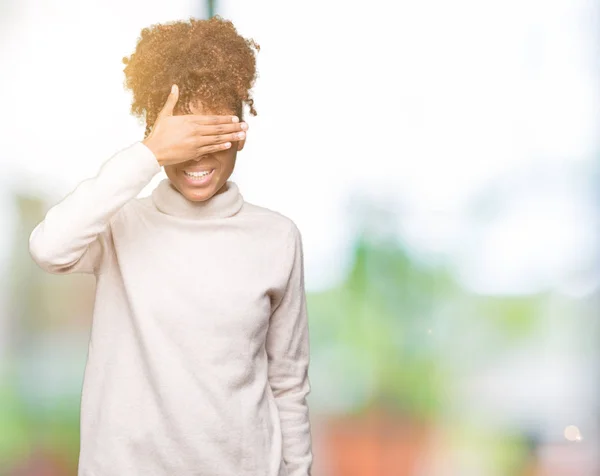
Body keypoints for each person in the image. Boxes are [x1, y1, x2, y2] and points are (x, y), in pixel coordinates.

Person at [28, 15, 312, 476]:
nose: (197, 155)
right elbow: (47, 248)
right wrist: (149, 154)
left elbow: (289, 385)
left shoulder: (277, 238)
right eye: (183, 136)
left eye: (213, 132)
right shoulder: (119, 224)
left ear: (240, 132)